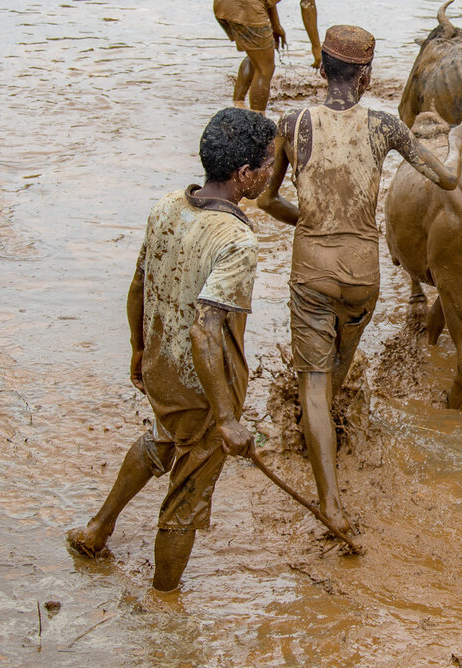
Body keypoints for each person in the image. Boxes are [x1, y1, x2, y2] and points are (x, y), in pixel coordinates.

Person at [257, 25, 462, 537]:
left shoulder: (290, 124)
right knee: (336, 369)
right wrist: (457, 141)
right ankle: (334, 437)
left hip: (311, 269)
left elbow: (266, 201)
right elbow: (447, 178)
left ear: (321, 69)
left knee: (313, 383)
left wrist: (309, 219)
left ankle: (330, 503)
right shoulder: (385, 125)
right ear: (366, 74)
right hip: (362, 276)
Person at [67, 108, 277, 593]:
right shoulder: (237, 239)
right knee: (186, 499)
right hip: (205, 391)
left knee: (159, 438)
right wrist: (226, 418)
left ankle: (98, 529)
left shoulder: (168, 206)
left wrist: (139, 351)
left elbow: (139, 285)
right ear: (244, 174)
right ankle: (165, 603)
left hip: (162, 368)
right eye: (268, 164)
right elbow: (207, 331)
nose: (272, 173)